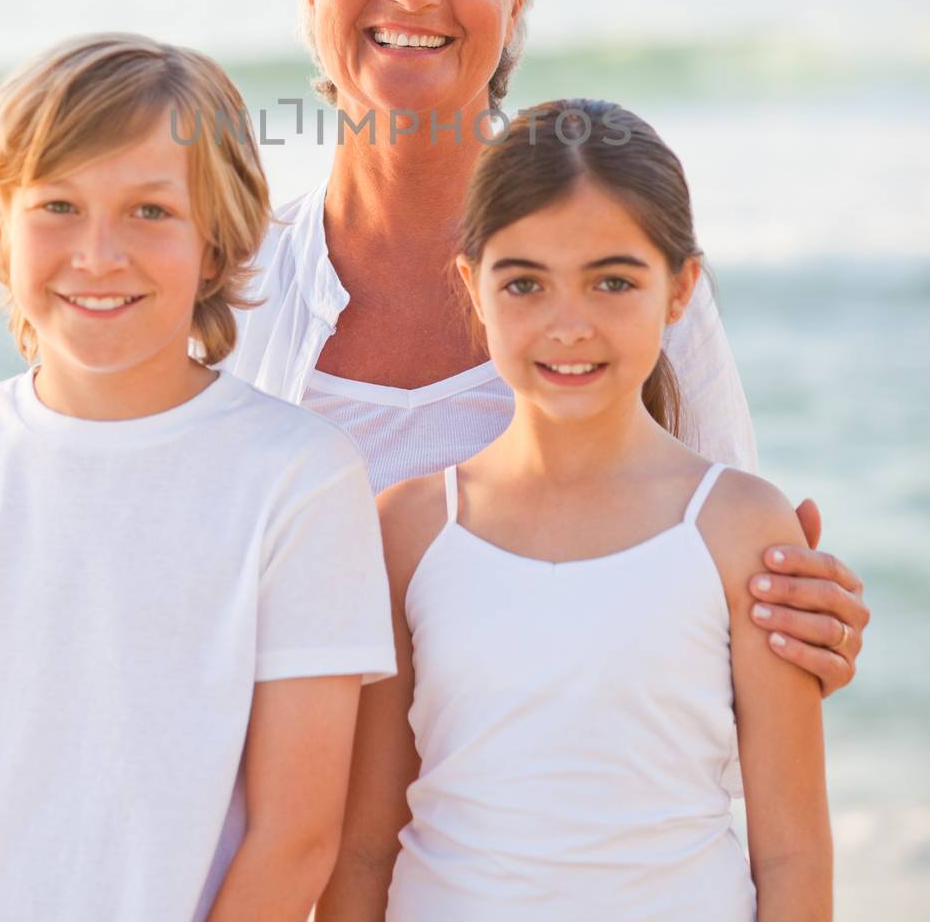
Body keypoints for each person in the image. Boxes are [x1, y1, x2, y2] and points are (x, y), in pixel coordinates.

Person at [0, 0, 869, 686]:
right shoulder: (201, 279)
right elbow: (69, 554)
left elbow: (742, 602)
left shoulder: (620, 295)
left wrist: (801, 629)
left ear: (517, 0)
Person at [0, 34, 395, 922]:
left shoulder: (297, 480)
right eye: (59, 206)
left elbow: (295, 834)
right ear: (0, 230)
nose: (98, 253)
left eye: (150, 212)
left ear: (219, 246)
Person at [318, 100, 832, 921]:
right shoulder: (407, 531)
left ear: (679, 290)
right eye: (524, 282)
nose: (568, 324)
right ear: (471, 286)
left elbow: (792, 854)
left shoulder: (739, 530)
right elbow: (366, 845)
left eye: (612, 281)